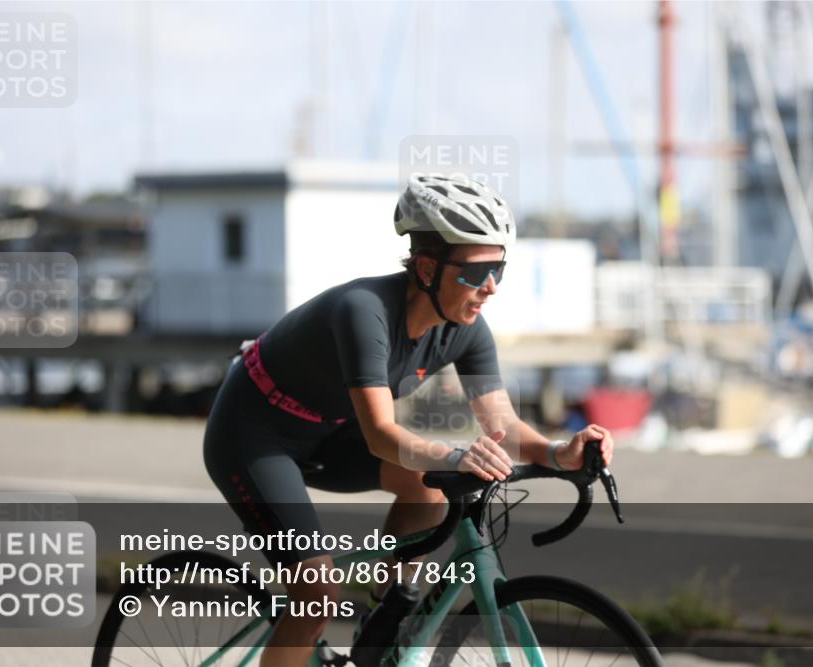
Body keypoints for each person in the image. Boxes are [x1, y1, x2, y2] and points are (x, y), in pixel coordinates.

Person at [203, 174, 615, 667]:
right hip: (254, 434)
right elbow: (380, 434)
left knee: (429, 490)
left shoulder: (467, 330)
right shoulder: (365, 312)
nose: (490, 288)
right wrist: (455, 454)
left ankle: (382, 625)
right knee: (317, 591)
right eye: (475, 272)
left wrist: (557, 452)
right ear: (425, 267)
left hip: (330, 433)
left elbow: (501, 423)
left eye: (498, 270)